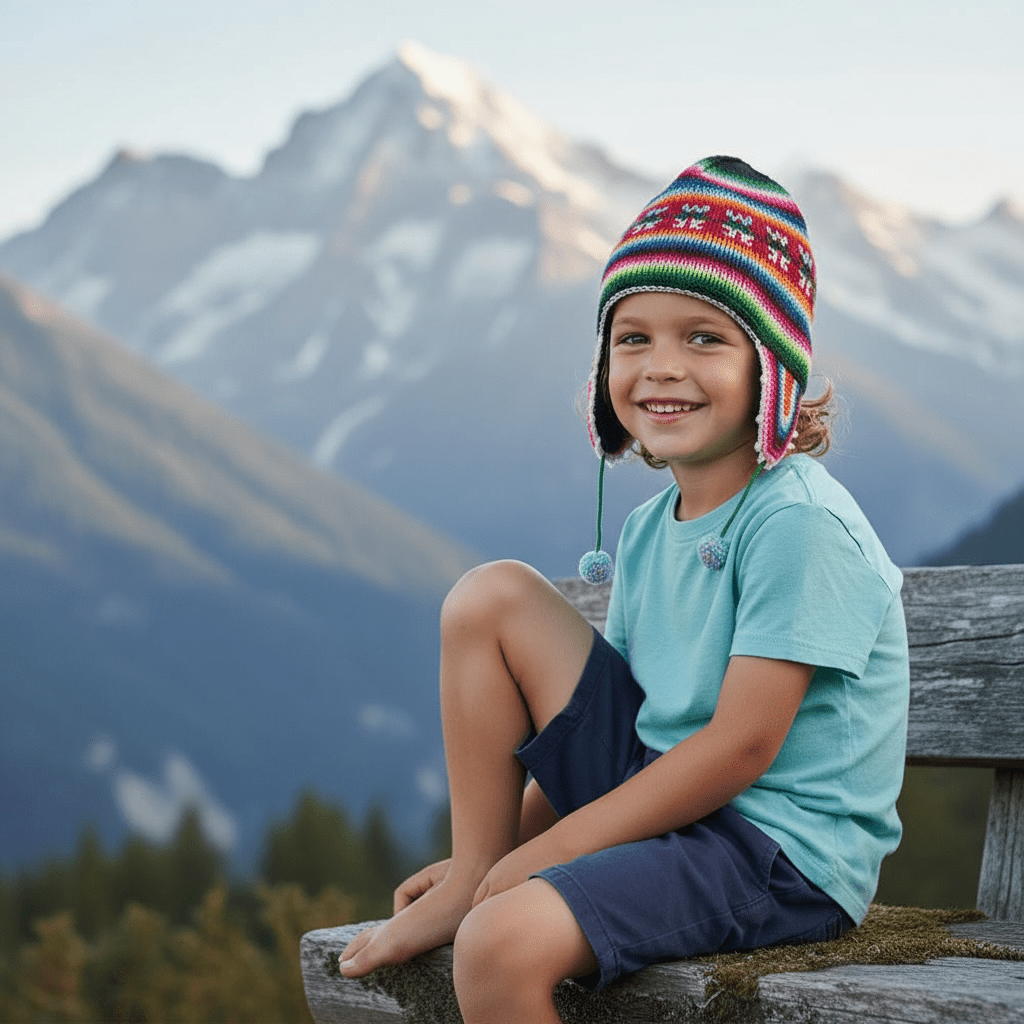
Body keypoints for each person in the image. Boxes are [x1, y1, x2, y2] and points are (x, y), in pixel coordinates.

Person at [338, 156, 910, 1024]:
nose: (660, 366)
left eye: (704, 337)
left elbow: (740, 749)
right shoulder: (651, 530)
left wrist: (548, 859)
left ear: (773, 365)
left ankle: (485, 903)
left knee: (499, 946)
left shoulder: (798, 524)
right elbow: (624, 725)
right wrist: (499, 858)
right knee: (490, 597)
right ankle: (466, 874)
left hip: (776, 852)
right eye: (632, 337)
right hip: (672, 802)